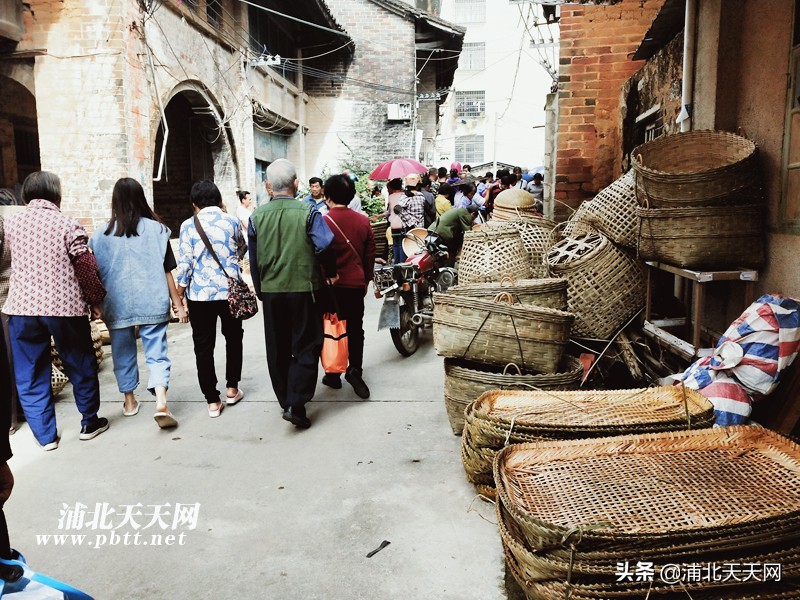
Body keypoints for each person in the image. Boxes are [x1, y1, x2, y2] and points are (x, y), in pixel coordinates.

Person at [2, 171, 109, 450]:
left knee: (30, 370)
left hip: (21, 308)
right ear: (56, 195)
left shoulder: (11, 224)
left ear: (25, 195)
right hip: (63, 306)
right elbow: (85, 267)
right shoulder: (67, 224)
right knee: (80, 361)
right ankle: (89, 422)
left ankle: (46, 436)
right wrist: (96, 299)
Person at [90, 178, 187, 429]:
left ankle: (130, 402)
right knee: (157, 354)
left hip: (116, 303)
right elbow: (167, 271)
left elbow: (95, 273)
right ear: (141, 198)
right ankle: (162, 402)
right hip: (152, 300)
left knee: (122, 354)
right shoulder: (158, 230)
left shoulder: (99, 235)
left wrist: (96, 302)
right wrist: (177, 303)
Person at [249, 159, 337, 430]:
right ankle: (296, 403)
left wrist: (260, 289)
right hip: (304, 289)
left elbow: (253, 259)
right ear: (297, 184)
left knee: (278, 347)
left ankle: (286, 398)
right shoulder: (309, 213)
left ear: (268, 186)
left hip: (272, 291)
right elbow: (324, 245)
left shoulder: (256, 216)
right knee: (306, 345)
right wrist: (331, 272)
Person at [176, 180, 246, 418]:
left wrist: (180, 292)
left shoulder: (187, 226)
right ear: (219, 199)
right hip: (230, 292)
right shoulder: (232, 220)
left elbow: (185, 264)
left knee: (203, 346)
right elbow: (242, 248)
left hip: (199, 295)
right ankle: (232, 388)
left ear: (194, 203)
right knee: (233, 337)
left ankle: (212, 401)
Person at [321, 175, 376, 399]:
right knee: (355, 329)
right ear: (352, 194)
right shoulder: (363, 221)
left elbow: (319, 254)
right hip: (355, 285)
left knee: (333, 328)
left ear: (327, 196)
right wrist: (365, 280)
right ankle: (355, 370)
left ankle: (333, 374)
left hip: (331, 287)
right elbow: (370, 254)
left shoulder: (323, 221)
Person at [385, 177, 406, 264]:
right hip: (402, 223)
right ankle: (402, 265)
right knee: (402, 245)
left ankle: (396, 265)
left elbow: (389, 211)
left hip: (393, 224)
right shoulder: (404, 196)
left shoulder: (390, 197)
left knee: (396, 245)